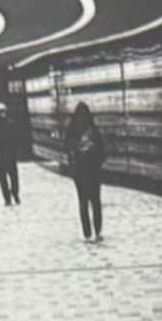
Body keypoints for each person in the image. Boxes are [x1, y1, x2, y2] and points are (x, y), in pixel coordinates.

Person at [66, 100, 107, 244]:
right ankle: (97, 230)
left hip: (80, 172)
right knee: (95, 201)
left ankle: (87, 232)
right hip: (93, 171)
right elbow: (102, 151)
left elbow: (68, 148)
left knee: (83, 202)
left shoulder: (71, 130)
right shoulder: (94, 130)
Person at [0, 96, 25, 207]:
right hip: (7, 153)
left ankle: (12, 196)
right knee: (10, 177)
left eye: (3, 111)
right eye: (1, 111)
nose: (2, 113)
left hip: (5, 153)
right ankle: (10, 196)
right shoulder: (9, 123)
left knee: (8, 177)